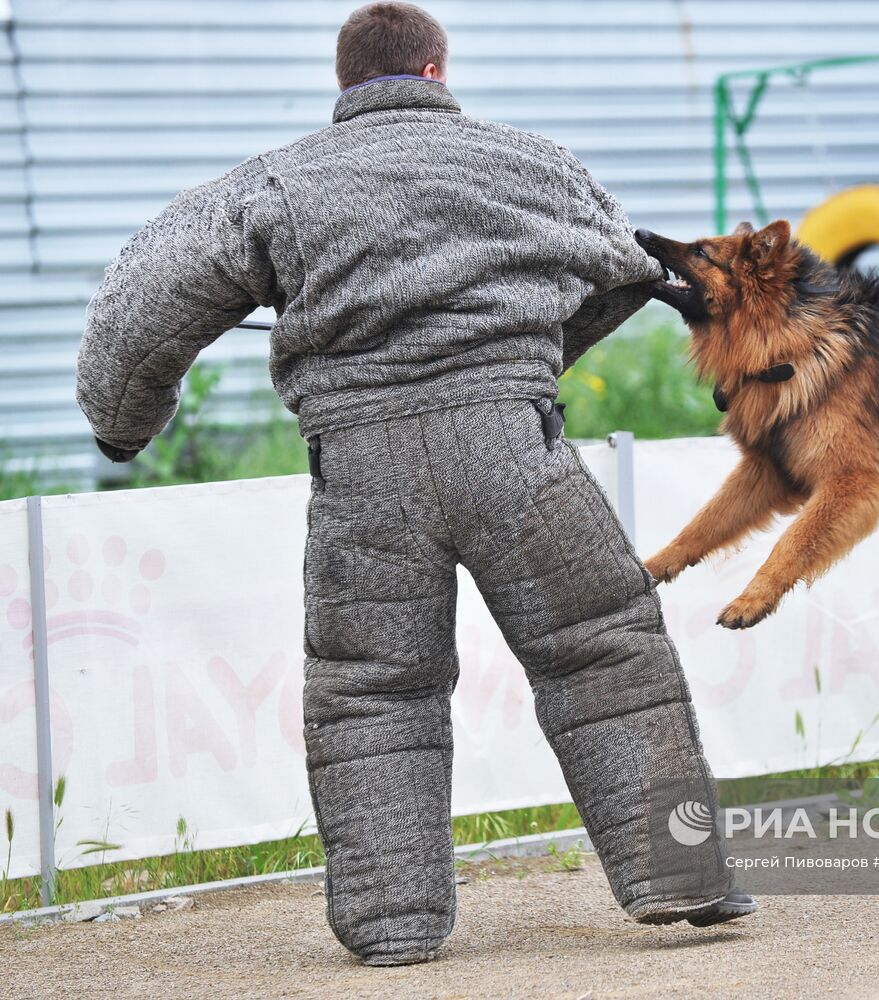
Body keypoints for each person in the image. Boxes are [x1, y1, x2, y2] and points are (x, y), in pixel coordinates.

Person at [75, 1, 752, 967]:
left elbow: (144, 302)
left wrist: (123, 426)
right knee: (605, 653)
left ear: (345, 85)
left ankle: (393, 928)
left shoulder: (277, 187)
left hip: (362, 472)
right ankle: (682, 880)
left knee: (371, 691)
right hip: (516, 451)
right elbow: (628, 269)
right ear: (436, 72)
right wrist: (535, 357)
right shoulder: (536, 166)